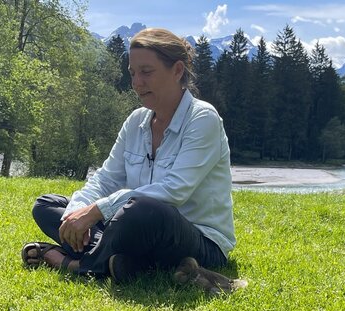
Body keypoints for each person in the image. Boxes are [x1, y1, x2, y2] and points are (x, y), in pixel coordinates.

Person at [22, 27, 237, 285]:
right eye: (133, 73)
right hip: (135, 228)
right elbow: (105, 179)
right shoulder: (136, 121)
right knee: (47, 205)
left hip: (200, 242)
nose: (136, 83)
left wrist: (98, 210)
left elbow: (175, 191)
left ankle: (75, 264)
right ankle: (125, 263)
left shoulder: (203, 119)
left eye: (146, 72)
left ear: (177, 70)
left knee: (142, 210)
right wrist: (78, 212)